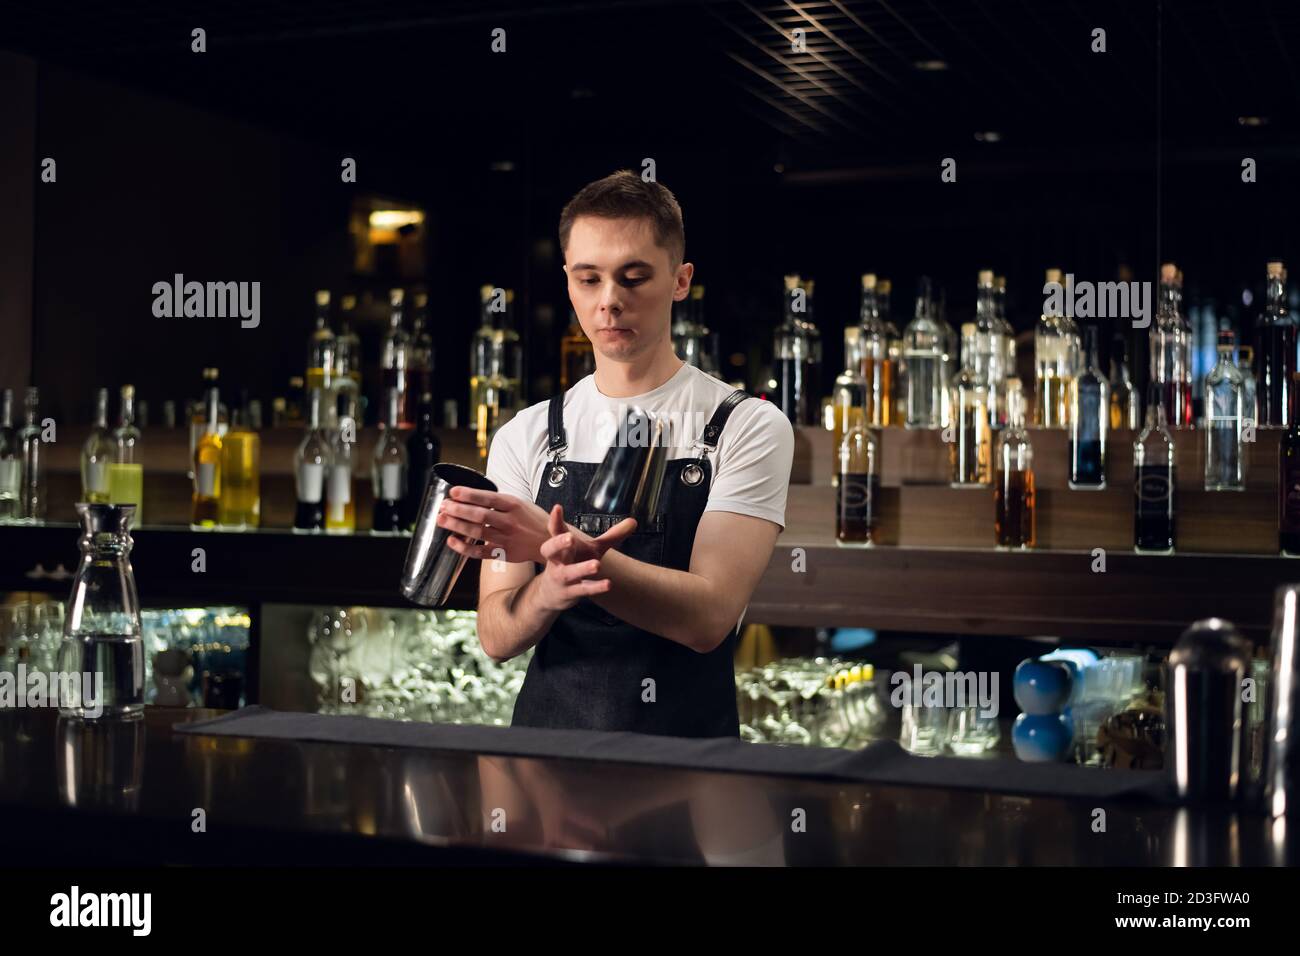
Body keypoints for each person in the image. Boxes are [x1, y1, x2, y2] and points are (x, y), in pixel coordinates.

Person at [438, 170, 794, 737]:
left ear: (681, 280)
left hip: (689, 771)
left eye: (634, 278)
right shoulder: (526, 435)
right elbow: (496, 635)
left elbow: (708, 618)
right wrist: (549, 589)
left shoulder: (743, 425)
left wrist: (572, 553)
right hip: (547, 769)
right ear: (568, 282)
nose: (609, 302)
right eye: (588, 280)